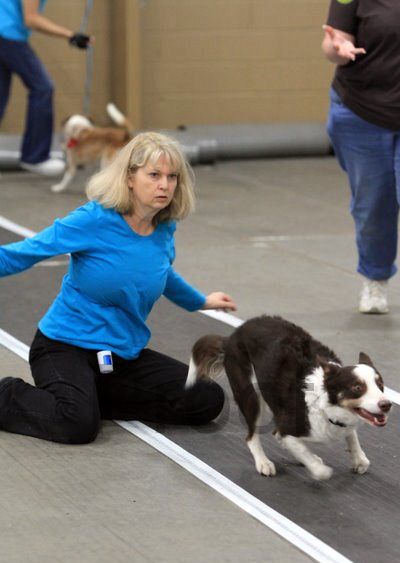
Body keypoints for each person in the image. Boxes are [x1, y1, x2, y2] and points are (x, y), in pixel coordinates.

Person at [0, 132, 237, 444]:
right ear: (129, 178)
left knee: (207, 399)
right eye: (153, 175)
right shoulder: (94, 219)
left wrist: (201, 301)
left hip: (121, 355)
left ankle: (88, 398)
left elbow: (164, 275)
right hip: (64, 347)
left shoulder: (164, 229)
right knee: (77, 425)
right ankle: (8, 395)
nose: (164, 185)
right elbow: (24, 253)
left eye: (172, 177)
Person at [322, 0, 400, 314]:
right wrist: (338, 48)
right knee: (373, 206)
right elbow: (333, 40)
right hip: (362, 112)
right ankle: (375, 278)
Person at [0, 0, 91, 177]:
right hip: (6, 35)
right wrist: (70, 35)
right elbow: (31, 19)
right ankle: (34, 157)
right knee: (42, 87)